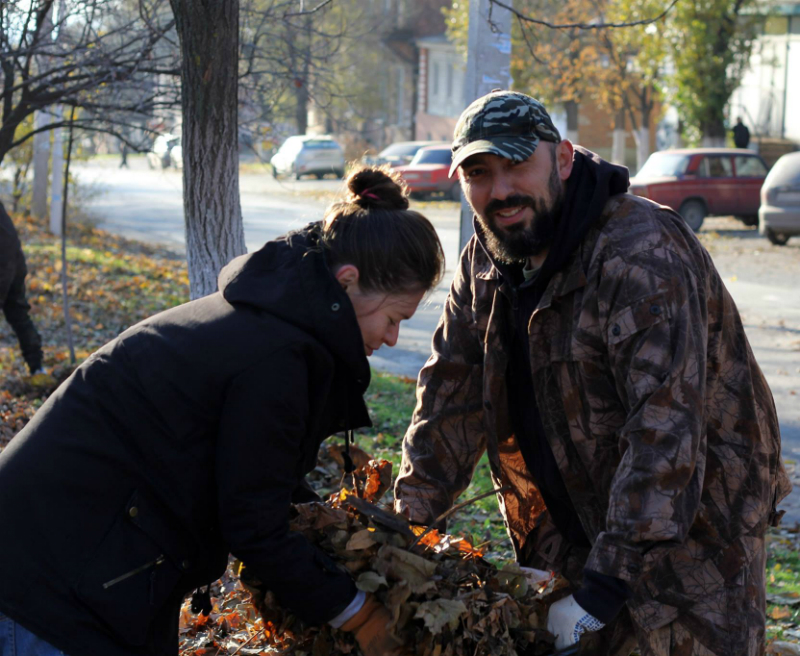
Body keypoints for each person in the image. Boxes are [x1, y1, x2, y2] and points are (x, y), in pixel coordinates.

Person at [394, 90, 790, 656]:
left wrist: (603, 590)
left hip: (694, 544)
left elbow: (665, 432)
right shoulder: (485, 259)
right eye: (479, 173)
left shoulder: (640, 252)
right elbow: (445, 405)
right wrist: (402, 538)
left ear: (562, 160)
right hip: (570, 527)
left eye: (515, 166)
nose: (500, 191)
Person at [0, 167, 445, 656]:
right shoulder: (275, 359)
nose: (392, 338)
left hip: (76, 561)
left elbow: (257, 477)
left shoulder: (268, 328)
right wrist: (360, 616)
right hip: (45, 584)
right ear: (348, 281)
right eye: (393, 318)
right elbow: (253, 524)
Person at [0, 200, 43, 375]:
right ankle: (38, 368)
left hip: (4, 262)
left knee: (17, 311)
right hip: (14, 258)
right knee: (18, 312)